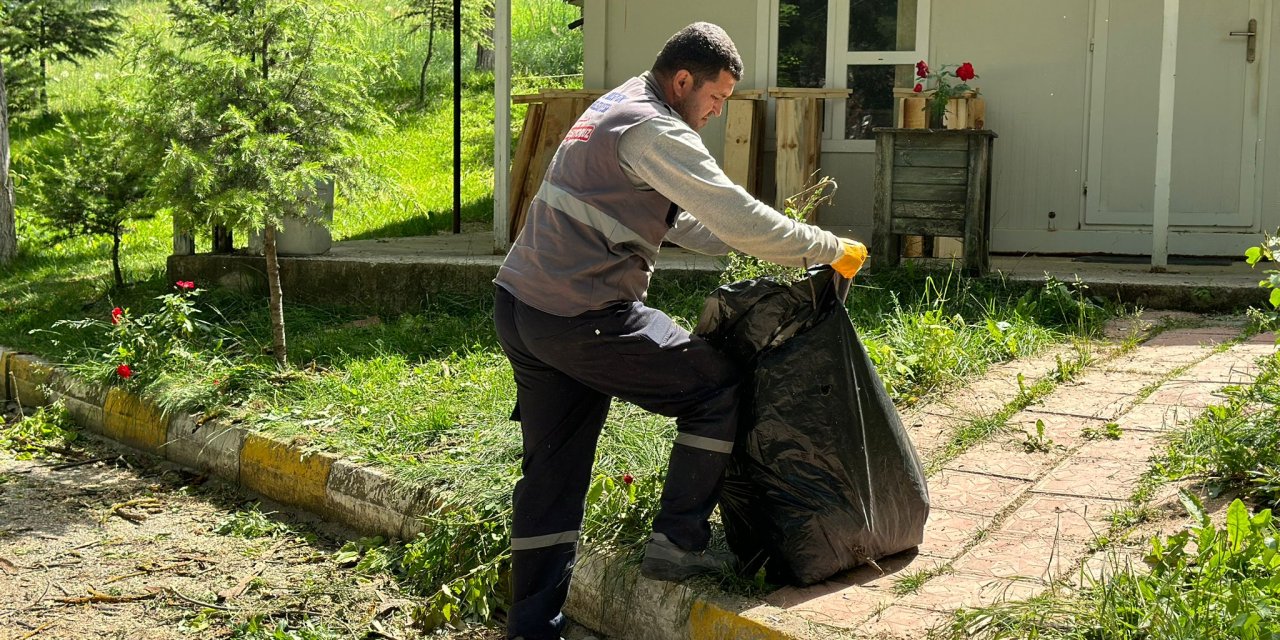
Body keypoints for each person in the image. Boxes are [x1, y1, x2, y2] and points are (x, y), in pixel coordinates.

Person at [492, 21, 867, 640]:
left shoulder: (615, 106)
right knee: (716, 384)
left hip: (524, 308)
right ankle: (677, 543)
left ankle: (532, 629)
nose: (717, 113)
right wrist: (826, 247)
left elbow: (685, 221)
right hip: (582, 316)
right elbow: (733, 213)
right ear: (684, 79)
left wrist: (755, 248)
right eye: (716, 99)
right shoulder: (657, 127)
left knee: (551, 477)